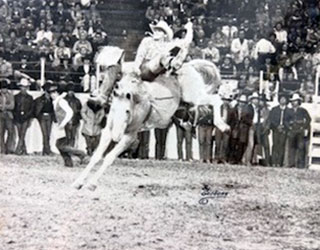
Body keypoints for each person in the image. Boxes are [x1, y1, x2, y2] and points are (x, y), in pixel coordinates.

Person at [48, 83, 87, 167]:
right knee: (60, 145)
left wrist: (63, 123)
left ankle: (80, 153)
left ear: (58, 93)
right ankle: (68, 162)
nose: (52, 95)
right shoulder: (56, 101)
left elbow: (70, 112)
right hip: (62, 125)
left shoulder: (61, 101)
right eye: (51, 93)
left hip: (65, 125)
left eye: (54, 93)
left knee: (60, 145)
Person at [287, 93, 311, 168]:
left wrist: (303, 127)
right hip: (292, 130)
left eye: (296, 101)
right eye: (293, 101)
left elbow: (308, 119)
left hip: (300, 130)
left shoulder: (303, 110)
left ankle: (300, 165)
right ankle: (291, 164)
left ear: (299, 102)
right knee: (291, 147)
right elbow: (285, 120)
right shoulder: (289, 111)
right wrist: (289, 127)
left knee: (301, 147)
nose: (294, 102)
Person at [228, 94, 254, 165]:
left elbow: (250, 120)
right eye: (240, 102)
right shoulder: (234, 108)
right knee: (233, 143)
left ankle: (238, 159)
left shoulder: (248, 109)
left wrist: (244, 120)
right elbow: (231, 119)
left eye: (243, 102)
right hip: (235, 128)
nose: (241, 103)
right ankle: (232, 159)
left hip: (243, 128)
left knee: (241, 145)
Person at [268, 93, 291, 167]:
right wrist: (277, 126)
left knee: (281, 146)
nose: (282, 100)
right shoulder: (274, 109)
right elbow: (271, 119)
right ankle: (274, 162)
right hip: (275, 129)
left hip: (284, 130)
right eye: (281, 99)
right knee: (275, 145)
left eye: (284, 99)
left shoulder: (289, 111)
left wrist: (284, 127)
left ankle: (279, 162)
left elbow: (290, 121)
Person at [34, 82, 56, 155]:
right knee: (45, 134)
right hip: (43, 116)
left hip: (48, 116)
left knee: (47, 134)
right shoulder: (41, 99)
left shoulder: (51, 99)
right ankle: (47, 150)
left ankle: (45, 150)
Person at [13, 79, 34, 155]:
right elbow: (14, 108)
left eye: (25, 87)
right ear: (20, 87)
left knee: (22, 134)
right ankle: (23, 149)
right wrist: (16, 116)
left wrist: (27, 116)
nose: (24, 88)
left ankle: (18, 150)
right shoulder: (16, 97)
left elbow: (32, 109)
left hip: (26, 117)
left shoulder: (30, 97)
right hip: (18, 117)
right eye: (22, 87)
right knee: (20, 134)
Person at [64, 83, 82, 147]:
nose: (71, 92)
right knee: (68, 136)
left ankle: (71, 148)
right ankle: (68, 148)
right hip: (66, 120)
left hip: (75, 120)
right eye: (69, 91)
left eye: (72, 91)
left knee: (73, 136)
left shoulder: (77, 101)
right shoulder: (63, 100)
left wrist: (78, 117)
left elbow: (80, 110)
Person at [0, 79, 15, 154]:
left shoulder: (10, 95)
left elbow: (12, 106)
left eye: (5, 88)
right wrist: (6, 106)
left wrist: (3, 106)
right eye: (2, 88)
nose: (4, 89)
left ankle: (7, 147)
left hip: (8, 115)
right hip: (1, 115)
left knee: (11, 132)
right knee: (1, 133)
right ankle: (3, 149)